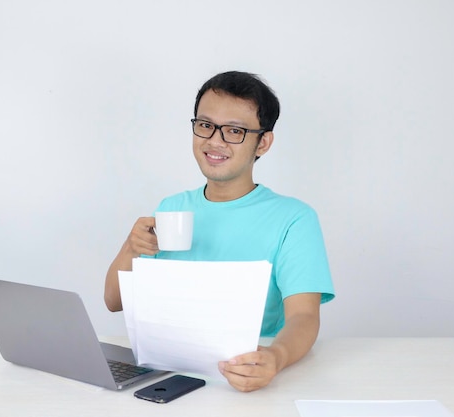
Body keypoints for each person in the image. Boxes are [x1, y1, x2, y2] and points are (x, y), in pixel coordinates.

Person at [104, 70, 335, 392]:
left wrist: (275, 357)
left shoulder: (294, 218)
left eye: (235, 131)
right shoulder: (171, 209)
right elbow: (114, 301)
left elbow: (304, 317)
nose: (215, 140)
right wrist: (130, 248)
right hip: (168, 373)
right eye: (205, 125)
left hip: (241, 374)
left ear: (263, 143)